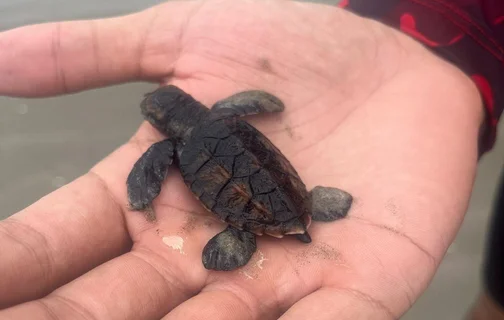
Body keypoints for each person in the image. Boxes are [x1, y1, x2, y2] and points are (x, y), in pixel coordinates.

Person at [0, 0, 500, 318]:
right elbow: (260, 102)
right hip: (296, 196)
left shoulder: (174, 149)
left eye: (152, 110)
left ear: (166, 123)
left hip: (247, 218)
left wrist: (142, 197)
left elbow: (147, 176)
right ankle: (307, 206)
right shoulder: (226, 114)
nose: (151, 114)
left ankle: (242, 236)